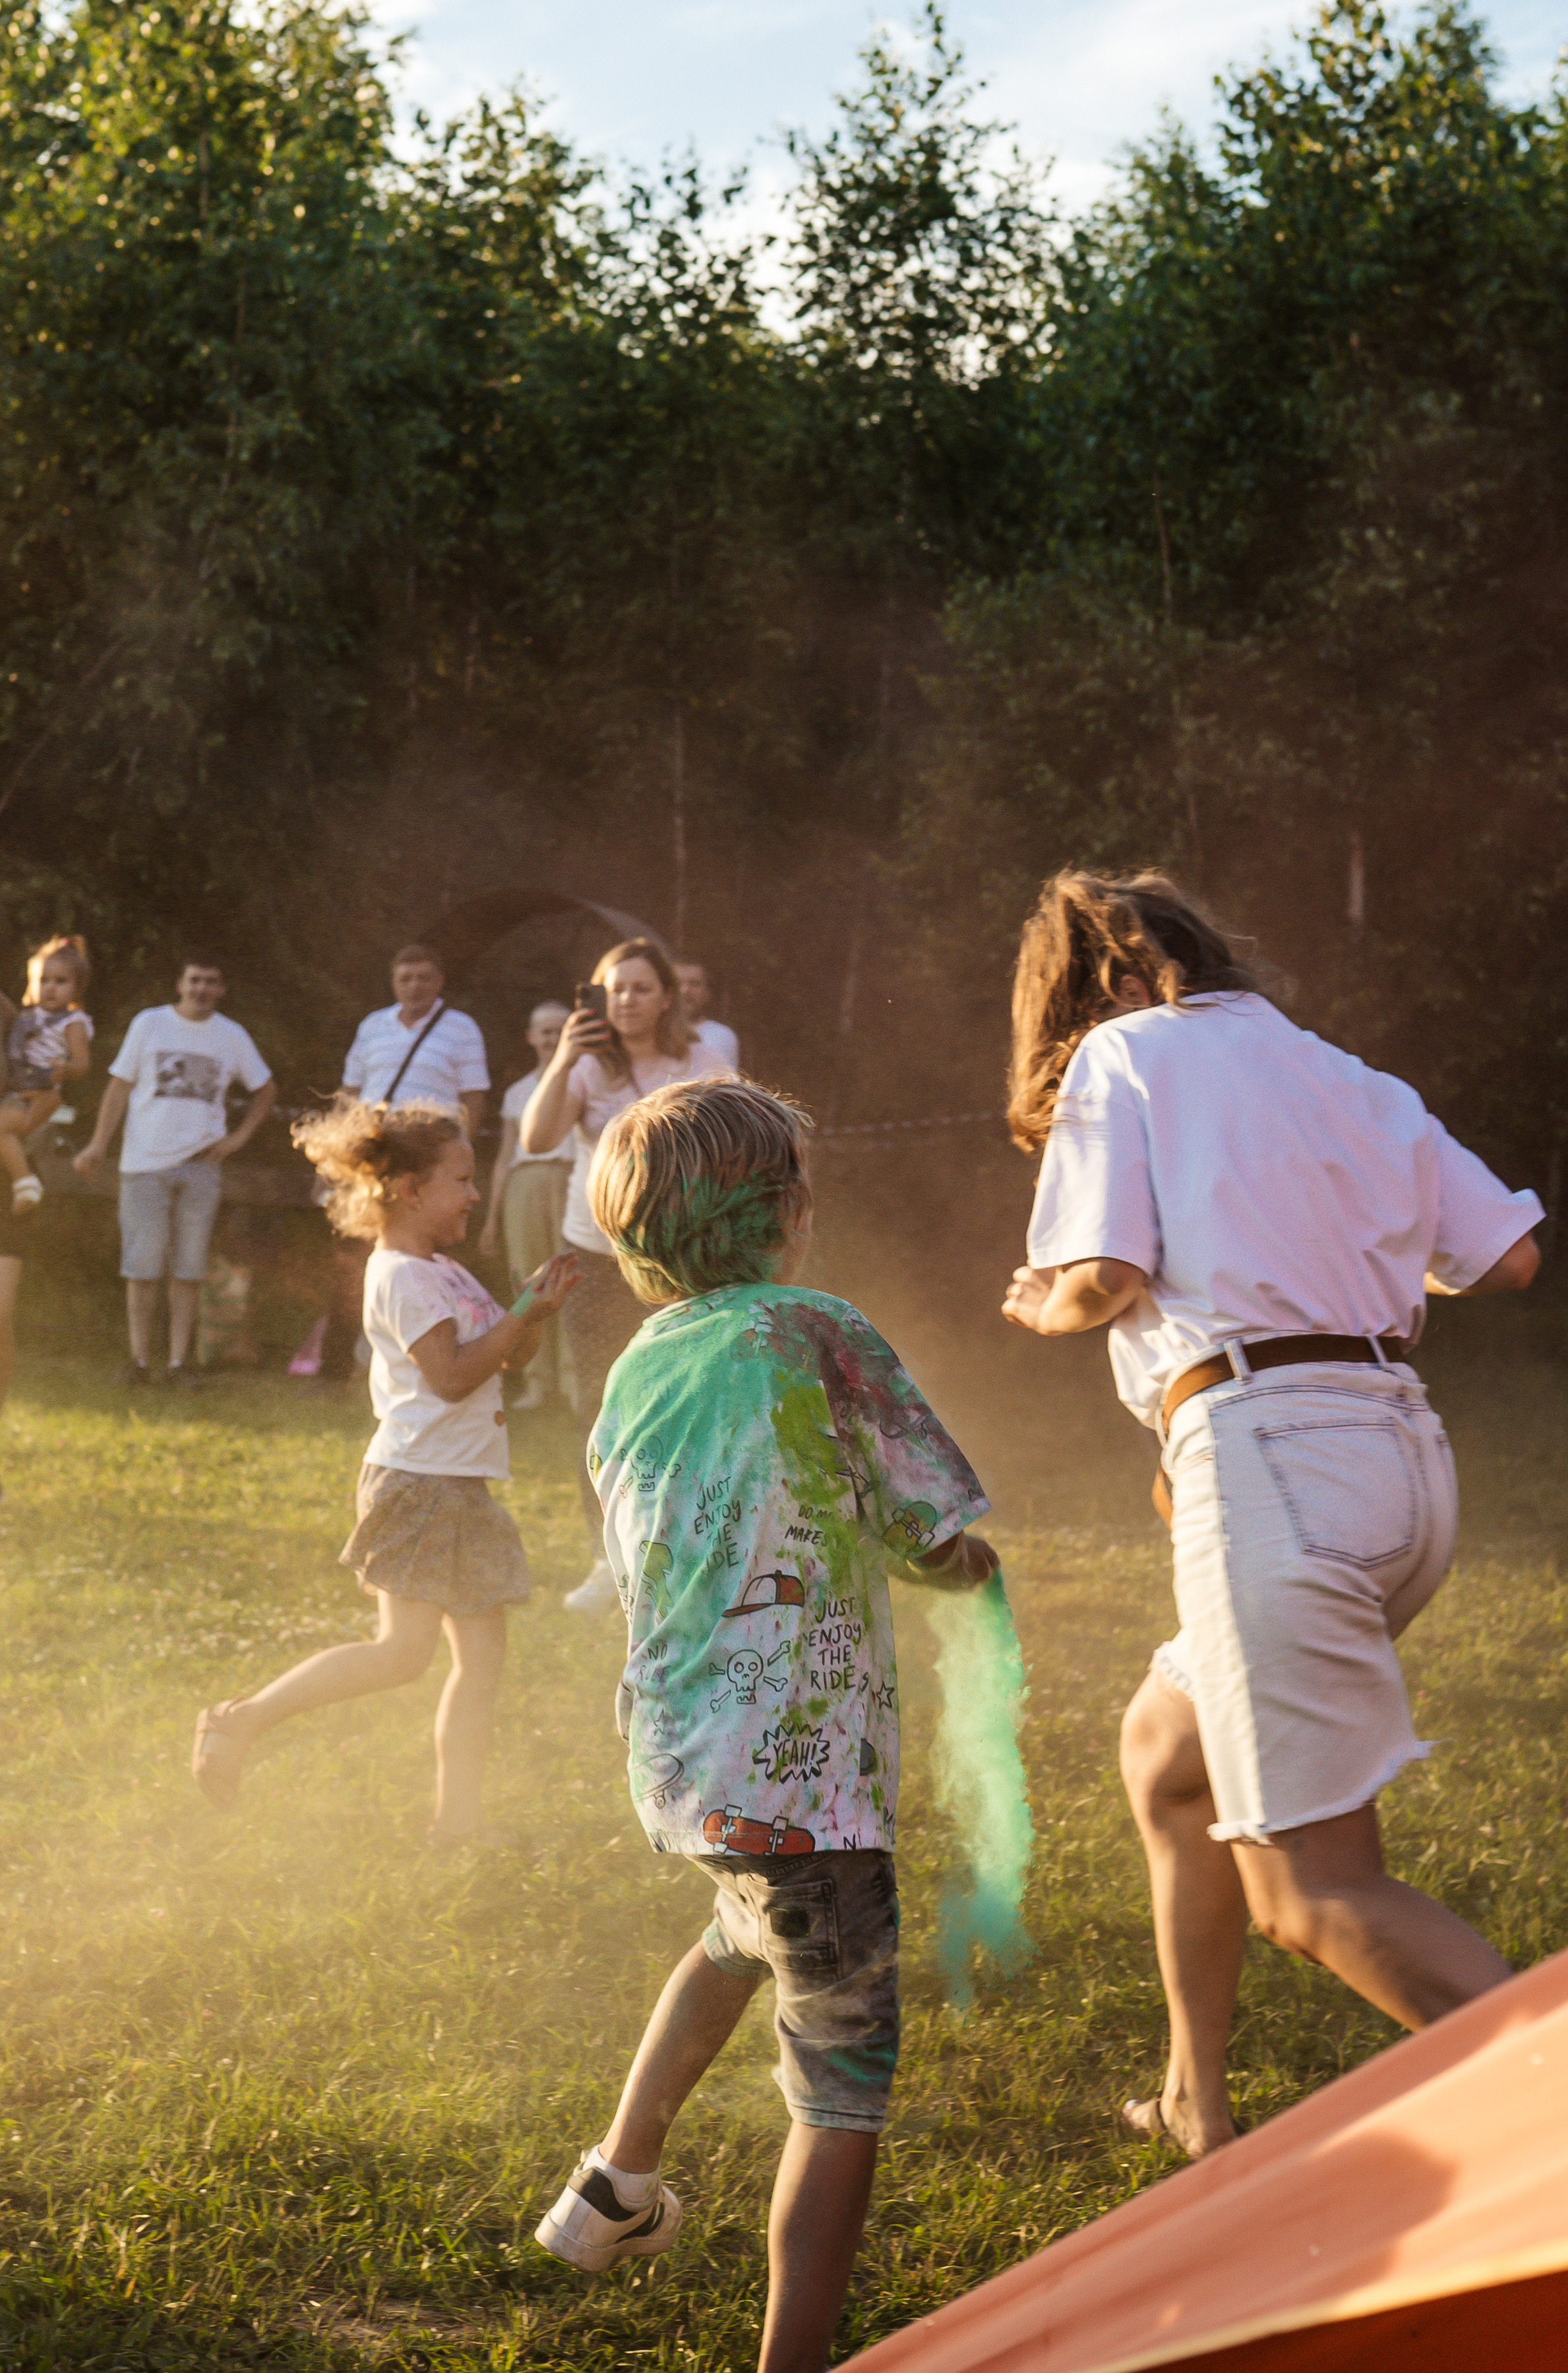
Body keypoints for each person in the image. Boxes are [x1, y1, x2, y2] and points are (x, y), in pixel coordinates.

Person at [1001, 869, 1543, 2162]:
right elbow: (1506, 1257)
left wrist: (1038, 1304)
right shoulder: (1348, 1073)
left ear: (1115, 983)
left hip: (1271, 1472)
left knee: (1310, 1890)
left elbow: (1105, 1276)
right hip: (1402, 1465)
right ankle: (1196, 2103)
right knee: (1162, 1757)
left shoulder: (1119, 1055)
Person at [532, 1075, 997, 2373]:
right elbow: (923, 1528)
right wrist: (969, 1570)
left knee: (738, 1931)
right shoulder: (814, 1328)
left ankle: (611, 2191)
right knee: (840, 2088)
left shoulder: (635, 1368)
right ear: (782, 1214)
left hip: (686, 1761)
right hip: (805, 1788)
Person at [189, 1099, 576, 1843]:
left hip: (460, 1484)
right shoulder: (400, 1276)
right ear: (408, 1189)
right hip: (419, 1483)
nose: (473, 1194)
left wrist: (533, 1313)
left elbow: (504, 1352)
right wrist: (517, 1314)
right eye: (461, 1179)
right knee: (402, 1654)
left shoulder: (447, 1272)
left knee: (482, 1662)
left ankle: (456, 1823)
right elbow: (454, 1375)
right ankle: (241, 1719)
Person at [520, 940, 733, 1609]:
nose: (627, 1001)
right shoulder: (587, 1066)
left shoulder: (698, 1058)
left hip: (683, 1258)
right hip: (599, 1257)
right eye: (615, 990)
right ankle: (607, 1562)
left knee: (688, 1406)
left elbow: (747, 1133)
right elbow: (535, 1140)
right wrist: (563, 1059)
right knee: (601, 1406)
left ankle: (690, 1552)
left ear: (667, 996)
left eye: (642, 988)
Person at [73, 953, 276, 1387]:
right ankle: (139, 1360)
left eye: (212, 981)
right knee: (142, 1266)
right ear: (180, 984)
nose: (202, 989)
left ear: (221, 990)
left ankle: (181, 1363)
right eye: (195, 980)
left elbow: (265, 1089)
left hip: (200, 1167)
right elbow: (119, 1087)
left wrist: (237, 1139)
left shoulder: (231, 1035)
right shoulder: (149, 1024)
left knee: (188, 1269)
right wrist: (97, 1144)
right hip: (144, 1164)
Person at [318, 944, 491, 1385]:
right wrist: (333, 1161)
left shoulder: (461, 1028)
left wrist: (458, 1164)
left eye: (424, 977)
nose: (414, 985)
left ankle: (436, 1357)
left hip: (432, 1165)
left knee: (428, 1261)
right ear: (394, 983)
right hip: (377, 1162)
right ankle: (338, 1367)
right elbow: (349, 1095)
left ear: (439, 981)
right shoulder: (373, 1026)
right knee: (354, 1261)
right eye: (405, 978)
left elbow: (474, 1096)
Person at [481, 1000, 576, 1410]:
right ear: (531, 1037)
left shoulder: (581, 1080)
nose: (552, 1039)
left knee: (572, 1276)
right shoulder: (518, 1091)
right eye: (545, 1032)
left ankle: (576, 1383)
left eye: (560, 1031)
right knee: (532, 1278)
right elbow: (504, 1157)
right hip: (526, 1181)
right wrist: (491, 1219)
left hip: (572, 1179)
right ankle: (538, 1382)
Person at [0, 936, 94, 1214]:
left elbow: (83, 1063)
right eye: (45, 981)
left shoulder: (73, 1023)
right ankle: (24, 1182)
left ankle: (25, 1182)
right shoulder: (29, 1015)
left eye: (61, 982)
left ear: (77, 990)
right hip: (18, 1090)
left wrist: (67, 1069)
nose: (50, 988)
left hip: (40, 1091)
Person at [675, 959, 740, 1069]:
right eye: (678, 983)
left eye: (695, 984)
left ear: (707, 993)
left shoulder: (722, 1036)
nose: (685, 990)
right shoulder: (651, 1035)